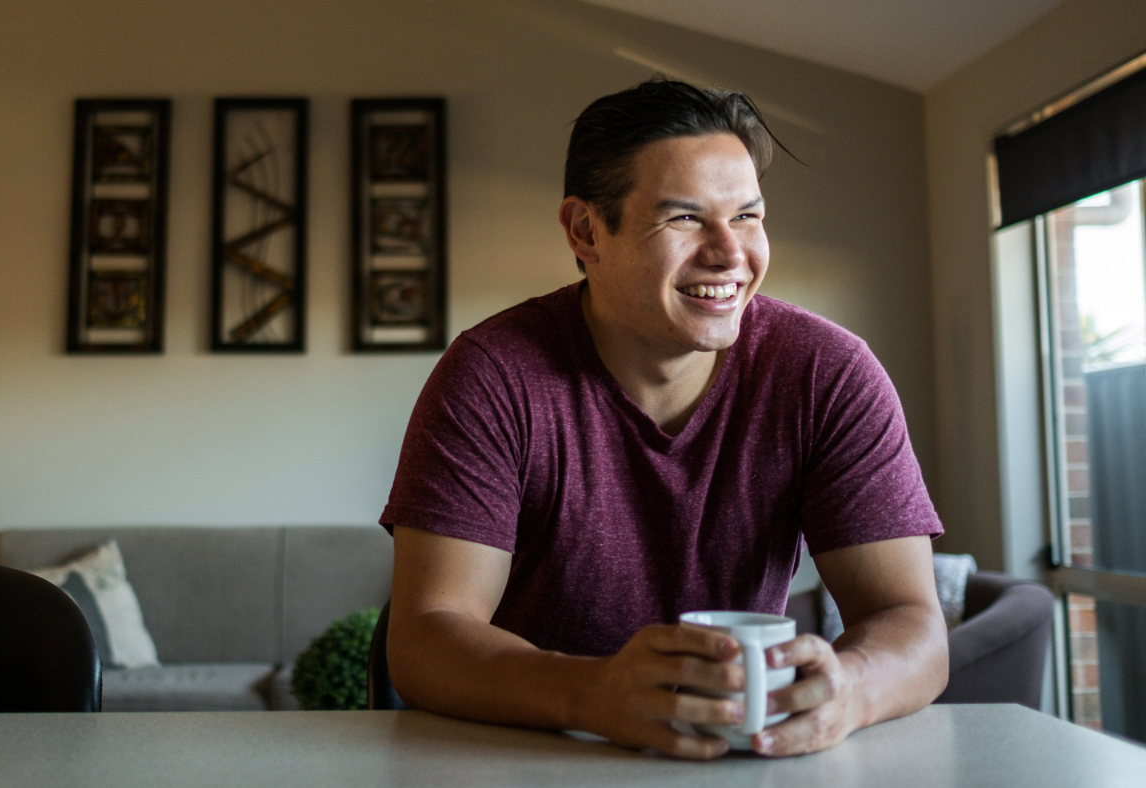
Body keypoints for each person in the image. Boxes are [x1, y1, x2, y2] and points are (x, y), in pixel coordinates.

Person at [378, 79, 948, 758]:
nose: (731, 253)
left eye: (747, 216)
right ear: (586, 231)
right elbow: (426, 635)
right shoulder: (493, 374)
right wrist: (590, 695)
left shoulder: (828, 373)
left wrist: (849, 689)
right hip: (529, 756)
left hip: (739, 760)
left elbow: (911, 624)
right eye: (684, 219)